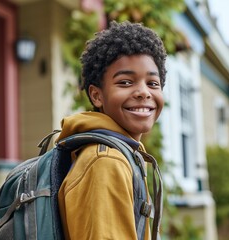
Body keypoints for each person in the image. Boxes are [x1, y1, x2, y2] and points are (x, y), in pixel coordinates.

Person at [56, 21, 166, 240]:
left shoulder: (121, 154)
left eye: (153, 83)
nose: (143, 92)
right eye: (125, 82)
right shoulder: (106, 162)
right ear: (97, 95)